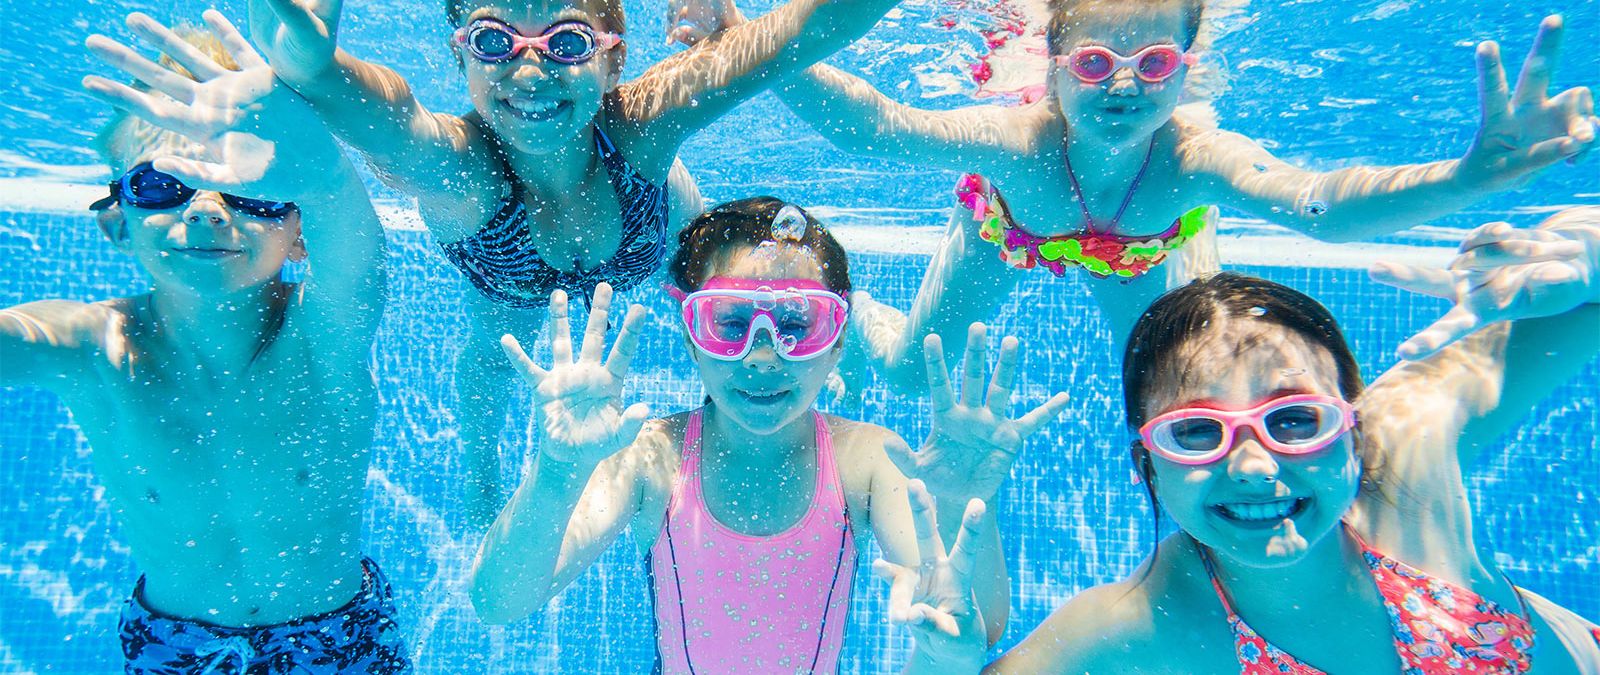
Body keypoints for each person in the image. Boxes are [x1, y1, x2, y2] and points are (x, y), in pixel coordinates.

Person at [677, 0, 1599, 395]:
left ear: (1187, 66)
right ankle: (870, 314)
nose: (1123, 85)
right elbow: (874, 127)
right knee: (915, 373)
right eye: (1094, 63)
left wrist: (1466, 180)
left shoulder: (1195, 154)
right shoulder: (1021, 146)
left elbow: (1316, 201)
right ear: (1052, 65)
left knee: (1191, 381)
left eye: (1154, 62)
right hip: (1009, 233)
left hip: (1148, 250)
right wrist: (745, 39)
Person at [246, 0, 912, 523]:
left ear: (612, 61)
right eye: (493, 41)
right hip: (510, 276)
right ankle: (480, 474)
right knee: (492, 357)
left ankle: (837, 326)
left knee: (731, 297)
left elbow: (809, 29)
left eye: (566, 43)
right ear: (461, 56)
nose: (529, 72)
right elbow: (393, 119)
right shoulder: (461, 169)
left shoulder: (642, 123)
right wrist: (314, 69)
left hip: (653, 237)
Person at [877, 207, 1600, 673]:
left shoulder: (1409, 443)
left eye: (1295, 420)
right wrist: (941, 658)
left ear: (1352, 424)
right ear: (1148, 465)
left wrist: (1583, 253)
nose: (1254, 466)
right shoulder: (1143, 621)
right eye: (1197, 432)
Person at [469, 198, 1069, 670]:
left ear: (836, 343)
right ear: (691, 340)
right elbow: (499, 602)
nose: (762, 356)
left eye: (796, 325)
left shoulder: (868, 461)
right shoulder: (651, 458)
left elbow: (974, 625)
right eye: (729, 323)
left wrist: (963, 503)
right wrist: (558, 471)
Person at [0, 12, 407, 672]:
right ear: (118, 223)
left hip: (336, 640)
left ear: (301, 233)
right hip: (176, 648)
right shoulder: (91, 346)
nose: (210, 208)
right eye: (162, 184)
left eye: (255, 190)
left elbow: (358, 258)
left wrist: (322, 169)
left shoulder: (322, 334)